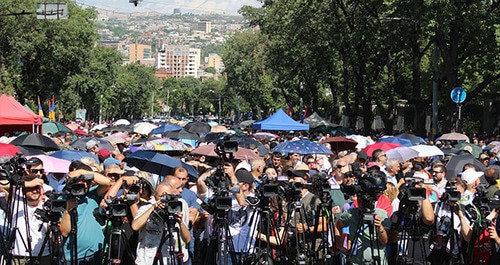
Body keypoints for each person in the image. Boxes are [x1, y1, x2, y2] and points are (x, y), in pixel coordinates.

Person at [60, 163, 111, 264]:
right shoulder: (63, 199)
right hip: (75, 257)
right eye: (81, 181)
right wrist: (67, 210)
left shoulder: (92, 194)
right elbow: (64, 232)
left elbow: (107, 182)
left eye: (87, 181)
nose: (85, 184)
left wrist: (82, 172)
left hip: (96, 253)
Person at [132, 178, 190, 265]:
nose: (164, 200)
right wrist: (153, 208)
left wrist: (180, 222)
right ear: (155, 195)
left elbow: (187, 239)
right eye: (161, 196)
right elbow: (135, 226)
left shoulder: (175, 209)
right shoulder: (146, 208)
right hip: (147, 260)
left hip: (169, 260)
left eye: (167, 196)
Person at [10, 175, 50, 264]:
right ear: (23, 190)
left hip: (43, 255)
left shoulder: (48, 204)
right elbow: (3, 186)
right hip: (18, 256)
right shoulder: (16, 203)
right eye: (30, 188)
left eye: (37, 188)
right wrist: (26, 183)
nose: (35, 191)